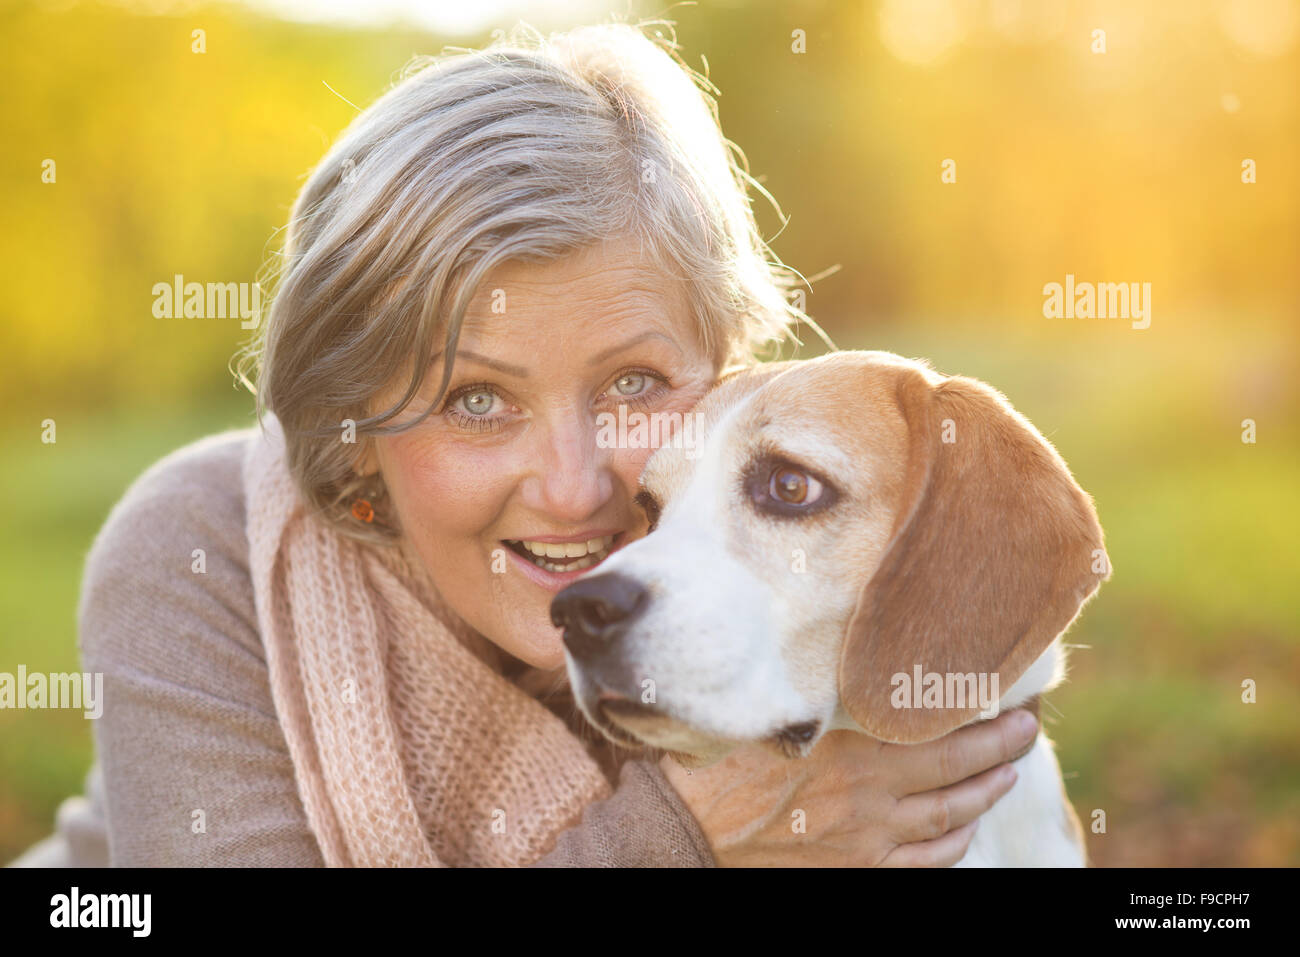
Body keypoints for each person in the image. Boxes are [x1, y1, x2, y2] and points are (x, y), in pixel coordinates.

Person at [11, 21, 1035, 867]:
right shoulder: (200, 552)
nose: (574, 488)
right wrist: (680, 842)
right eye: (475, 401)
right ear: (352, 431)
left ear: (727, 365)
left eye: (633, 385)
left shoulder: (773, 597)